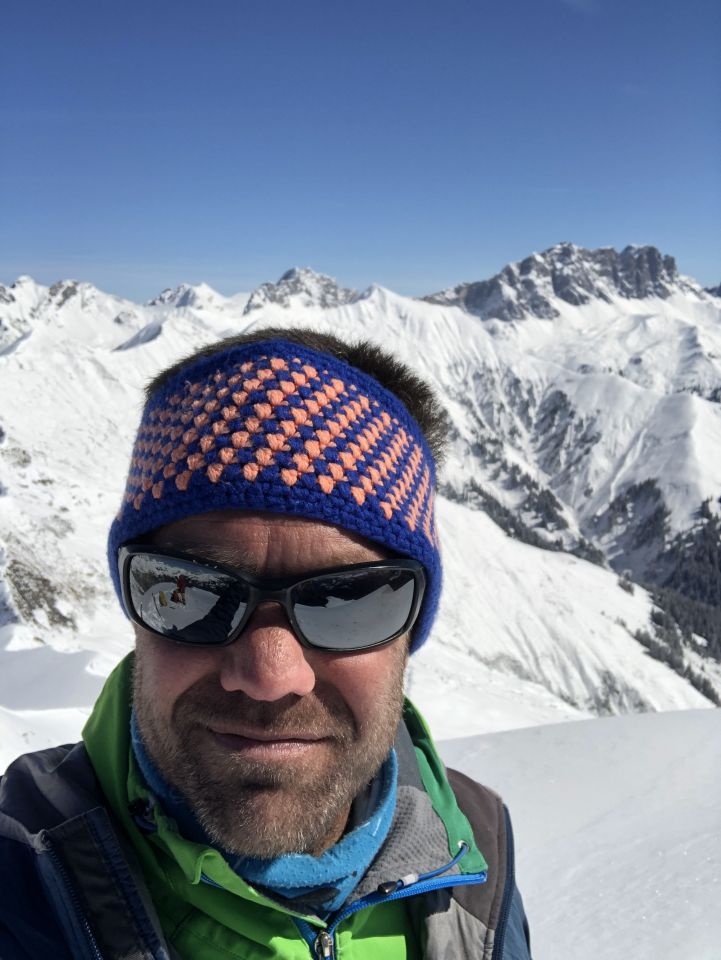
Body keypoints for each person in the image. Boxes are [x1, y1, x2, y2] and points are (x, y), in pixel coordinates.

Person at [0, 328, 532, 959]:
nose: (270, 675)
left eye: (350, 600)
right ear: (135, 605)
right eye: (192, 592)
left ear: (411, 628)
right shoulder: (19, 868)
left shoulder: (479, 852)